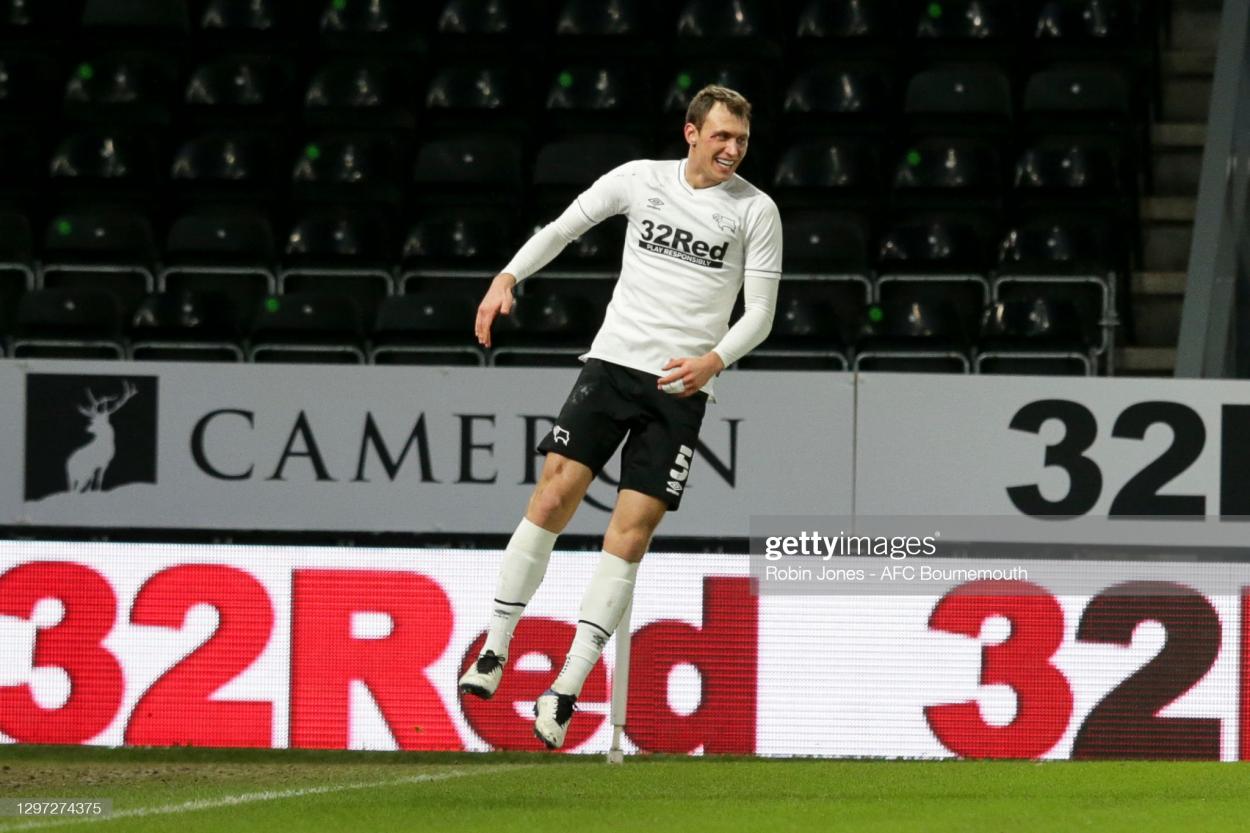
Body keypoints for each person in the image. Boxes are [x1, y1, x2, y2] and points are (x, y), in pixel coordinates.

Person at [458, 85, 782, 750]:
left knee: (628, 534)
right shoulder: (640, 181)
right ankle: (494, 650)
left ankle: (566, 690)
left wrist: (712, 361)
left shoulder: (757, 210)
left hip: (680, 388)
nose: (732, 149)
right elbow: (564, 227)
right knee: (551, 495)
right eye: (721, 136)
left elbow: (761, 313)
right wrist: (506, 278)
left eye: (741, 140)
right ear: (690, 132)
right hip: (611, 366)